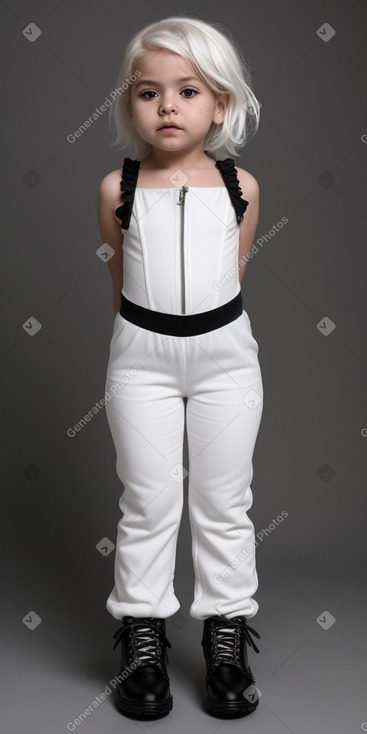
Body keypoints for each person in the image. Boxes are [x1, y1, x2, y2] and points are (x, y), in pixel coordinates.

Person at [98, 14, 263, 721]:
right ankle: (143, 639)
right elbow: (121, 285)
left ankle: (225, 639)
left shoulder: (241, 188)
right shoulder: (118, 189)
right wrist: (145, 345)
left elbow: (234, 274)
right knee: (147, 502)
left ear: (219, 103)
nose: (167, 105)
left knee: (224, 505)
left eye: (187, 90)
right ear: (129, 105)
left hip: (225, 361)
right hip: (141, 363)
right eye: (147, 92)